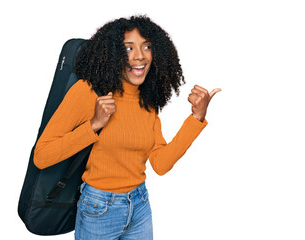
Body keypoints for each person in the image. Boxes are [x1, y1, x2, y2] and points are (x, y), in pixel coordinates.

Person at [34, 15, 221, 240]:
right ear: (113, 54)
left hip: (140, 204)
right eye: (128, 48)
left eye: (147, 47)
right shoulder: (87, 92)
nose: (139, 56)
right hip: (98, 208)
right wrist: (94, 125)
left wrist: (196, 119)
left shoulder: (147, 102)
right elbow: (41, 156)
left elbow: (160, 164)